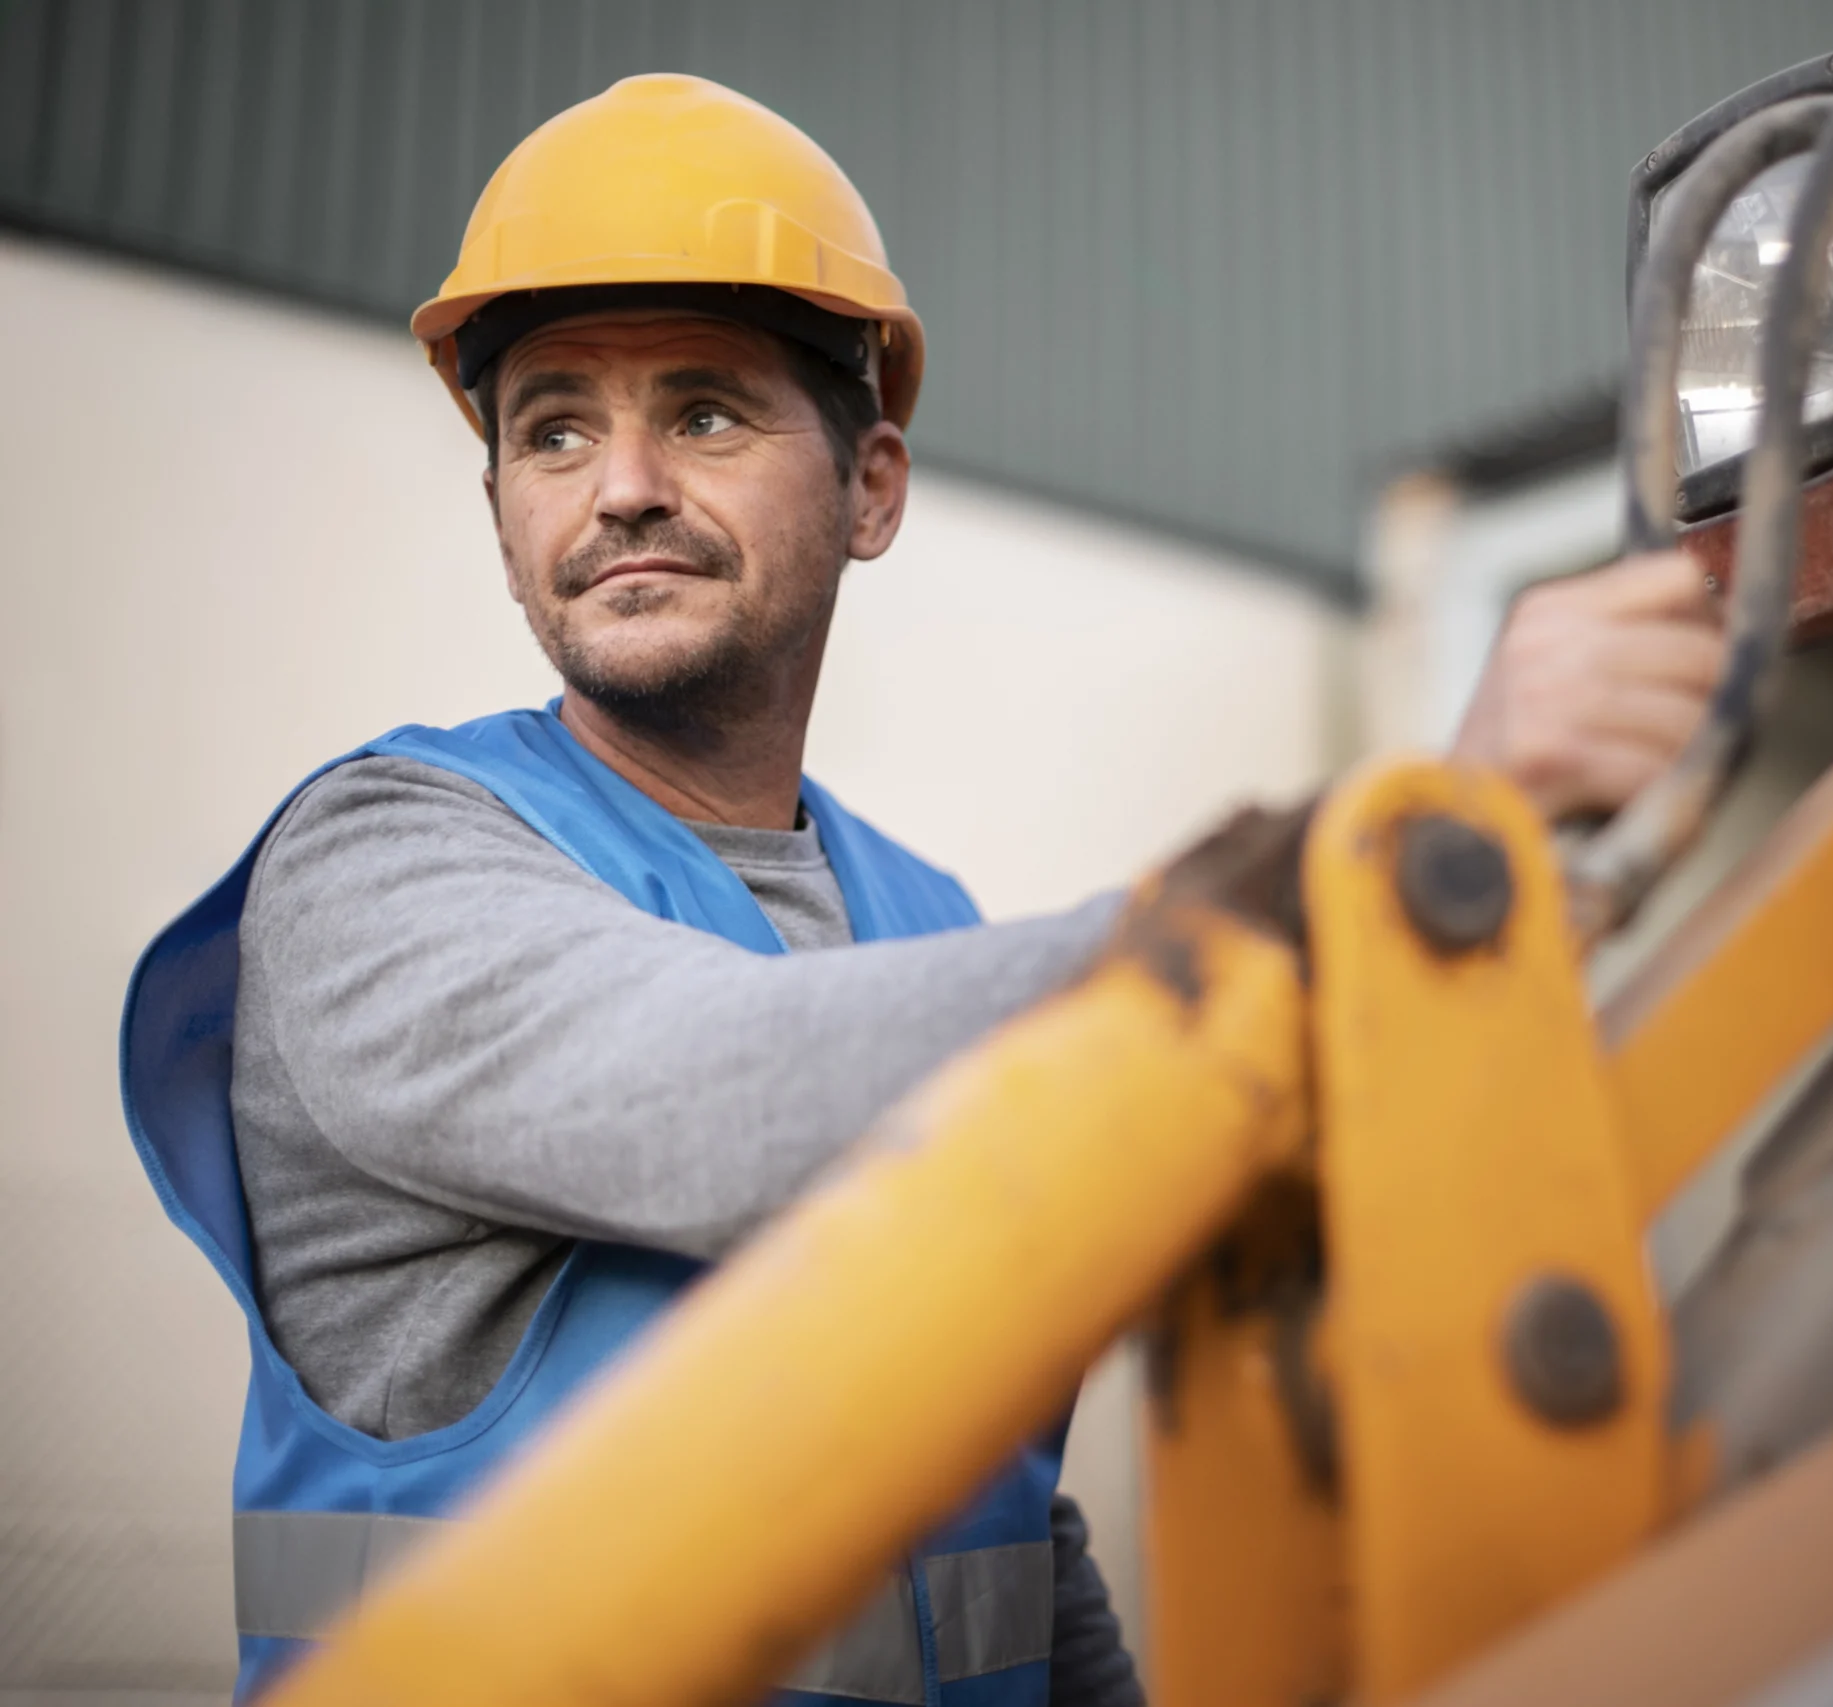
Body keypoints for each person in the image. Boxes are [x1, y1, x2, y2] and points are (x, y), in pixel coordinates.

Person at [119, 74, 1727, 1707]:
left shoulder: (929, 922)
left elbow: (1011, 1530)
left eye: (706, 410)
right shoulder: (380, 861)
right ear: (502, 514)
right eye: (553, 429)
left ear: (871, 487)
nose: (620, 487)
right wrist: (1373, 855)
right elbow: (707, 1097)